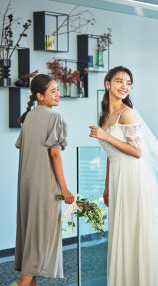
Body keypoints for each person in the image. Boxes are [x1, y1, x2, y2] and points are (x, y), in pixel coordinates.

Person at [89, 66, 158, 286]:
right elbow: (110, 156)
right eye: (120, 81)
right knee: (121, 232)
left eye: (128, 83)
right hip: (117, 179)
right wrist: (106, 187)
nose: (124, 86)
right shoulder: (104, 116)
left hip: (133, 178)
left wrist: (106, 136)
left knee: (134, 232)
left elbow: (137, 151)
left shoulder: (127, 113)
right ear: (107, 84)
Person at [11, 74, 74, 286]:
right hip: (44, 186)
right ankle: (23, 281)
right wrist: (64, 189)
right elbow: (55, 155)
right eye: (53, 91)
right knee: (42, 237)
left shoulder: (28, 117)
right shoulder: (54, 118)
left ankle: (29, 281)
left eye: (58, 89)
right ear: (40, 95)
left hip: (26, 185)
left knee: (32, 233)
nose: (58, 94)